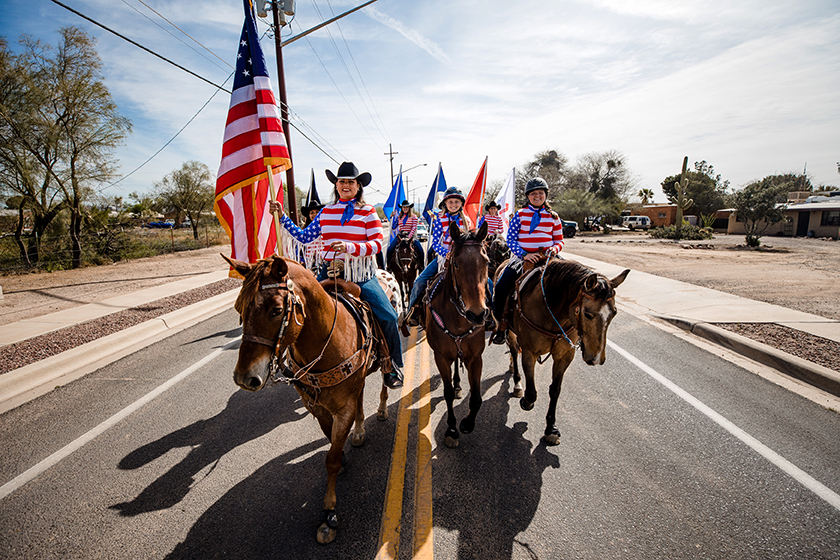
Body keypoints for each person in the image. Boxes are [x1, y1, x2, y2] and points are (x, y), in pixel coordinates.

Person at [270, 162, 404, 389]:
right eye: (341, 181)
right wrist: (282, 217)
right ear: (336, 185)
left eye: (350, 181)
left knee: (389, 316)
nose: (345, 185)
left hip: (360, 274)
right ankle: (289, 361)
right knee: (298, 308)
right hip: (328, 270)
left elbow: (375, 244)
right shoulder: (325, 211)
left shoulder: (368, 211)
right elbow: (304, 237)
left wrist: (350, 247)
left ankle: (392, 366)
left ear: (358, 186)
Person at [490, 177, 565, 345]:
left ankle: (571, 327)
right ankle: (501, 326)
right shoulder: (520, 214)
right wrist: (524, 255)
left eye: (540, 193)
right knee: (501, 287)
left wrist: (554, 249)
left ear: (545, 195)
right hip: (521, 258)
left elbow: (560, 240)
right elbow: (510, 239)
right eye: (533, 194)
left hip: (548, 257)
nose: (537, 196)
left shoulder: (554, 217)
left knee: (570, 282)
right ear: (528, 196)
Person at [404, 186, 473, 327]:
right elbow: (435, 244)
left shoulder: (467, 220)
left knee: (487, 283)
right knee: (418, 282)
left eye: (456, 202)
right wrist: (445, 254)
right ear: (445, 204)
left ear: (461, 204)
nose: (453, 205)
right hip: (443, 259)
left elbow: (471, 241)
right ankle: (413, 311)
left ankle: (491, 314)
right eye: (450, 202)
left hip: (463, 259)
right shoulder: (439, 220)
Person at [386, 200, 425, 270]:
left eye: (407, 207)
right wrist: (391, 217)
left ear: (409, 208)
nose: (405, 209)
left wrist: (409, 237)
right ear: (402, 208)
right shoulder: (399, 217)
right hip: (401, 236)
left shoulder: (414, 217)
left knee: (420, 250)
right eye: (404, 207)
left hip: (411, 236)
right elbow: (393, 226)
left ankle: (421, 266)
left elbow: (414, 227)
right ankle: (389, 266)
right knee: (390, 249)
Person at [299, 200, 325, 272]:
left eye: (317, 212)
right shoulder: (305, 231)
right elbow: (300, 248)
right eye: (312, 213)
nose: (314, 215)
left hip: (324, 262)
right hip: (309, 263)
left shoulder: (325, 228)